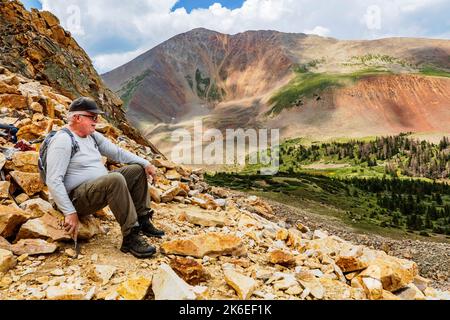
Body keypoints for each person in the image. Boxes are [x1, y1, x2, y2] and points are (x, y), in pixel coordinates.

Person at [46, 97, 164, 258]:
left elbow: (117, 153)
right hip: (76, 199)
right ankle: (131, 237)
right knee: (114, 179)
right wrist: (69, 212)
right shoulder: (63, 141)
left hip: (95, 190)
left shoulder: (91, 136)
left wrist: (145, 163)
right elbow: (53, 180)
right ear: (77, 117)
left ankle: (142, 220)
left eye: (97, 117)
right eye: (92, 117)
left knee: (136, 170)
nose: (96, 121)